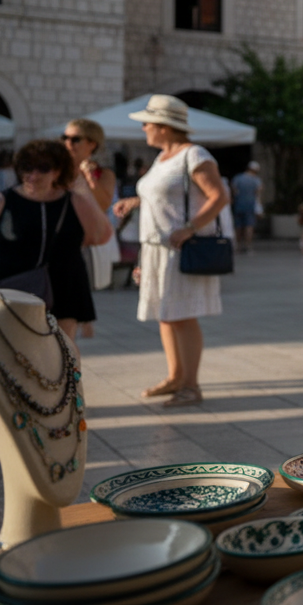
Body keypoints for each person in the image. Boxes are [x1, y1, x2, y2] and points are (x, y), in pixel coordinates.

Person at [111, 96, 230, 407]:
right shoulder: (163, 157)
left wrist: (190, 227)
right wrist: (135, 203)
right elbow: (164, 197)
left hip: (180, 248)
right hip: (155, 248)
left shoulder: (194, 154)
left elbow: (218, 196)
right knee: (166, 316)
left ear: (165, 126)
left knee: (182, 317)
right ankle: (176, 377)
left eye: (148, 122)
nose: (144, 127)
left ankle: (191, 385)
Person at [0, 140, 111, 342]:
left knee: (64, 349)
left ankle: (73, 376)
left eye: (43, 168)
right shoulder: (5, 200)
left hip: (66, 284)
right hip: (13, 284)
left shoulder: (75, 200)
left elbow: (101, 235)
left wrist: (82, 187)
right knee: (15, 348)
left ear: (58, 171)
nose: (33, 175)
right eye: (27, 167)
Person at [62, 118, 117, 338]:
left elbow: (103, 204)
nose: (68, 143)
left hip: (84, 244)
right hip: (57, 243)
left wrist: (88, 178)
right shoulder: (55, 170)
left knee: (69, 313)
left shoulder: (103, 174)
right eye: (65, 138)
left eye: (75, 139)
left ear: (92, 144)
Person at [230, 161, 263, 254]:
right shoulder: (256, 180)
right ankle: (248, 246)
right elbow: (258, 194)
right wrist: (260, 208)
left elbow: (234, 191)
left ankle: (237, 246)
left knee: (238, 226)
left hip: (239, 205)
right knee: (249, 226)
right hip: (250, 205)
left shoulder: (238, 178)